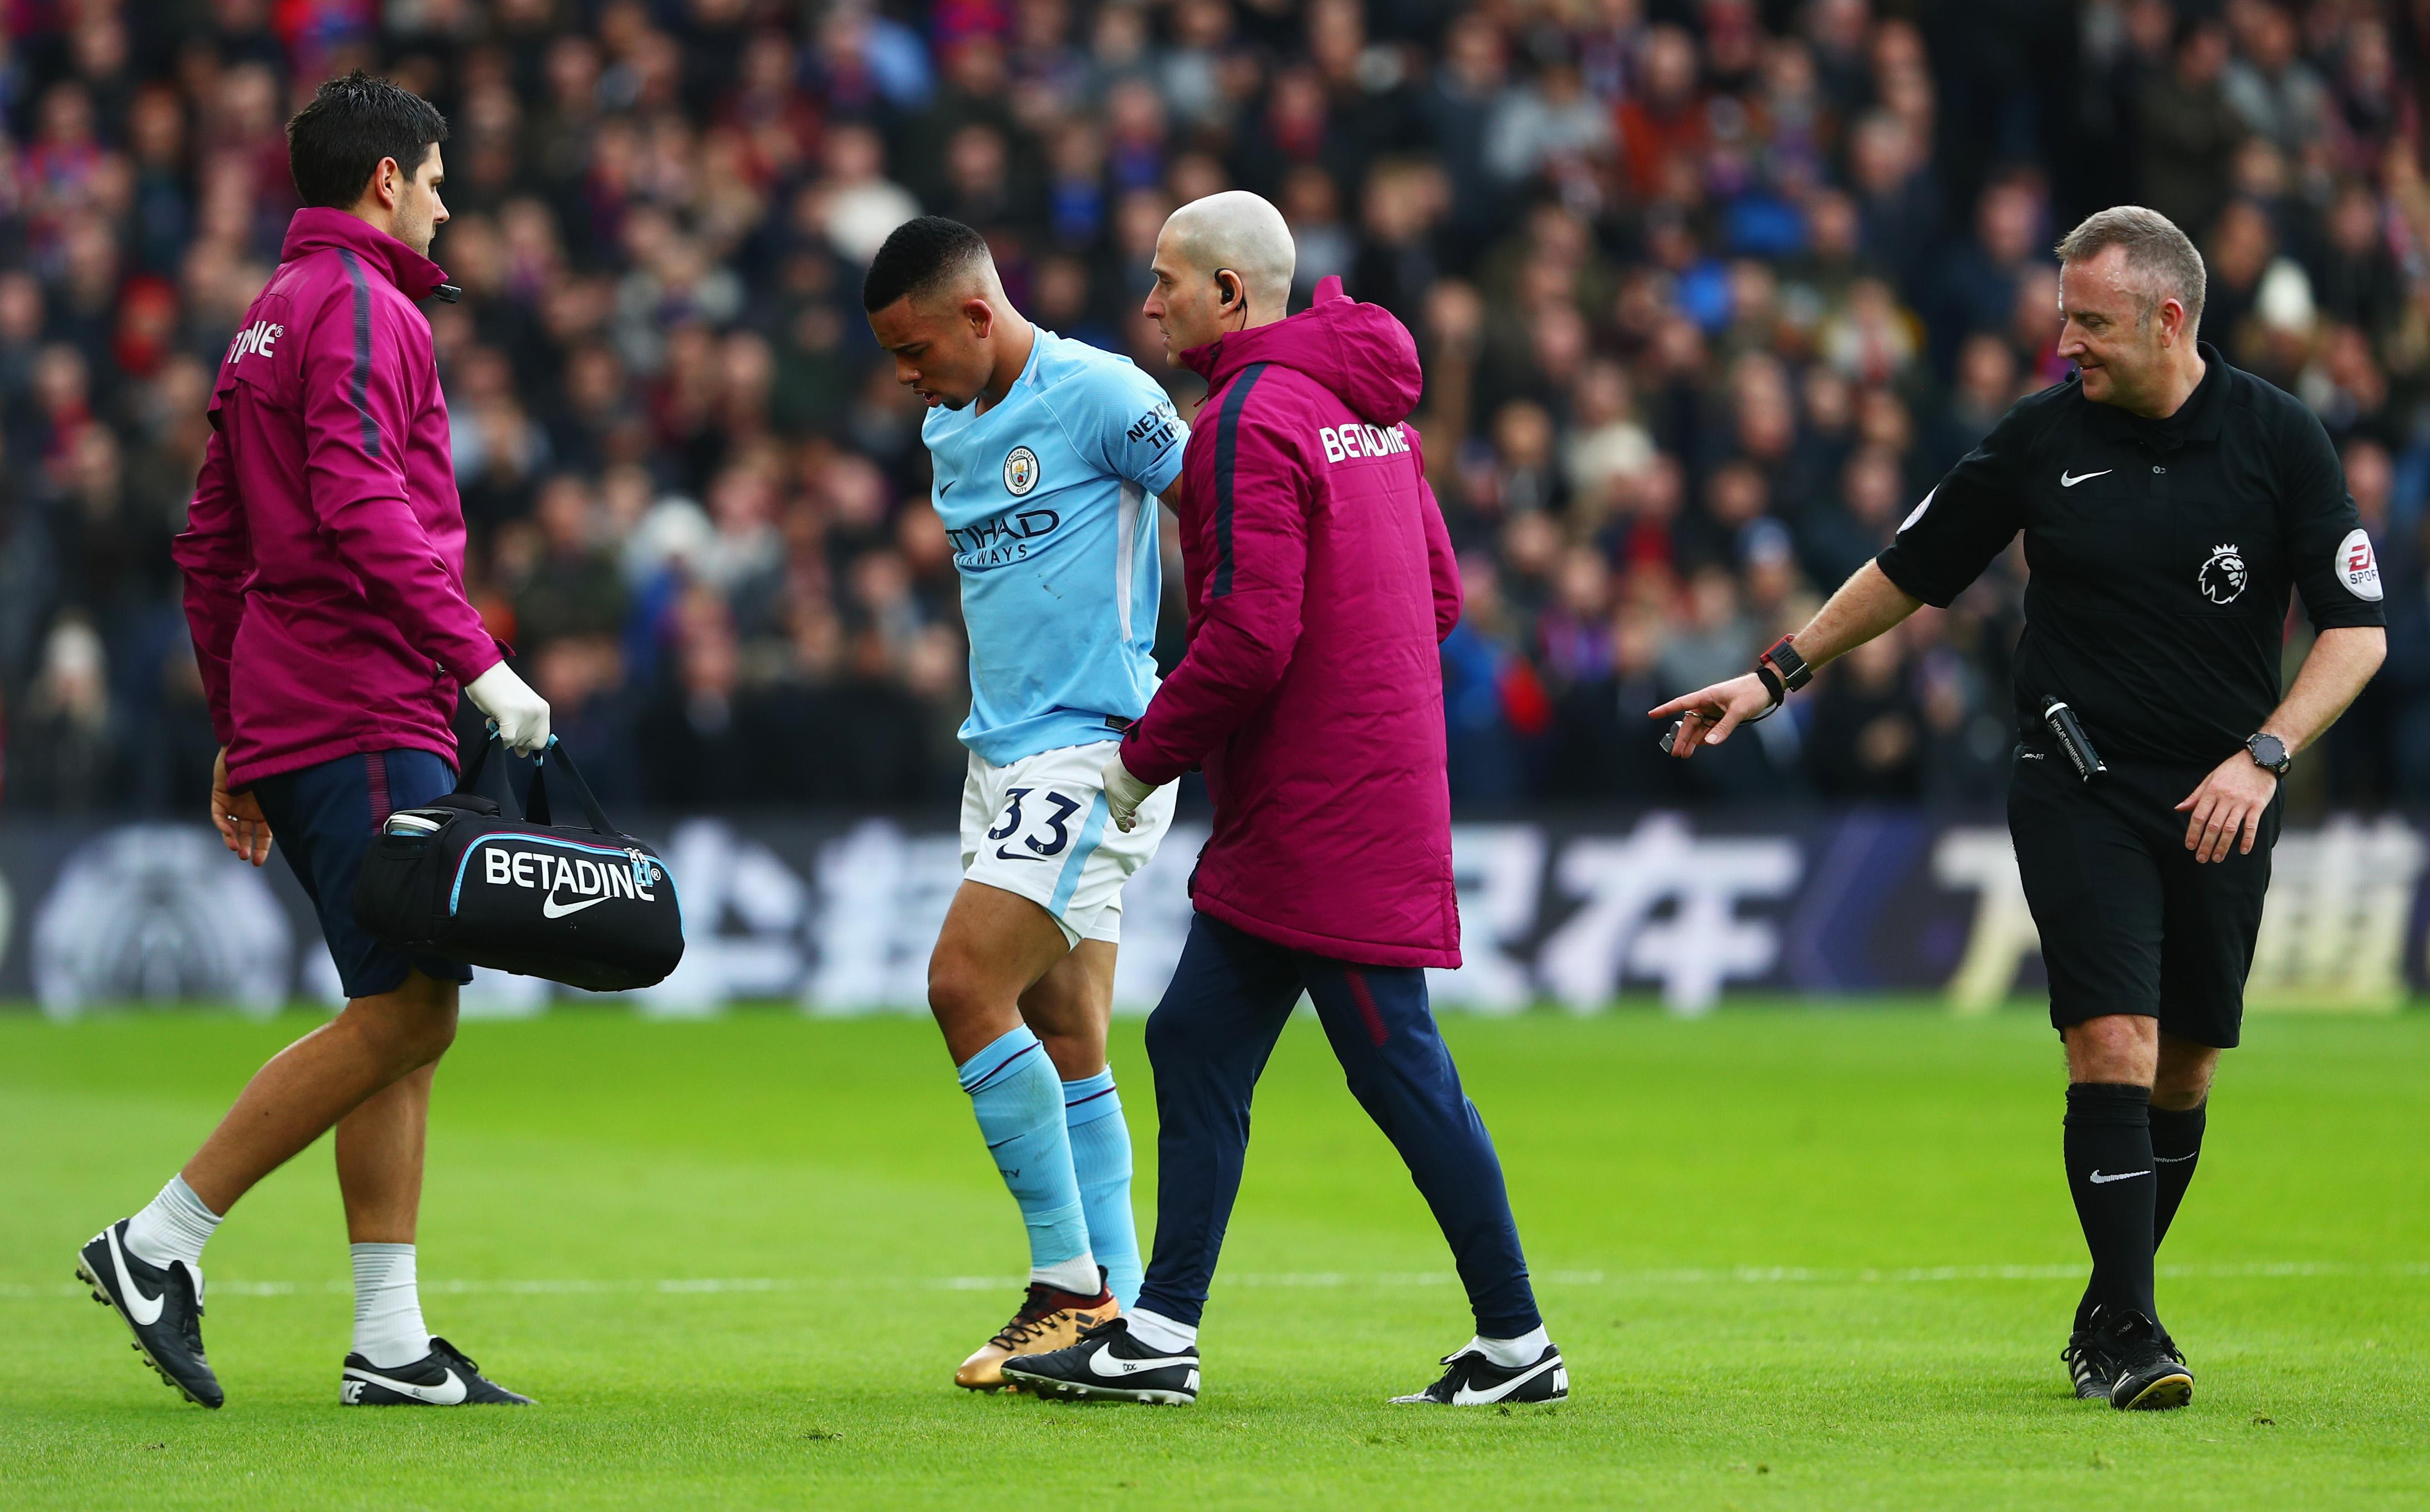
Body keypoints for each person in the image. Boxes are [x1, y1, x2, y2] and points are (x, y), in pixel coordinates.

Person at [1653, 206, 2386, 1412]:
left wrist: (2263, 753)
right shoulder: (2039, 438)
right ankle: (2134, 1330)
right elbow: (1906, 571)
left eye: (2091, 324)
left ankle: (2106, 1307)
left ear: (2167, 319)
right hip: (2075, 781)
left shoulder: (2277, 437)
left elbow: (2353, 635)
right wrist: (1772, 671)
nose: (2066, 347)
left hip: (2221, 793)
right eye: (2061, 320)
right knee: (2112, 1041)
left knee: (2185, 1070)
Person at [1002, 193, 1565, 1408]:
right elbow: (1438, 595)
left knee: (1397, 1067)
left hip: (1323, 811)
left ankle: (1518, 1342)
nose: (1147, 304)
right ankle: (1159, 1333)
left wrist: (1143, 756)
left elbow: (1251, 634)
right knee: (1195, 1038)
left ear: (1230, 295)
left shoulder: (1241, 420)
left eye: (1166, 282)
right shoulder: (1367, 408)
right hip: (1340, 791)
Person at [78, 73, 550, 1410]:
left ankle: (390, 1342)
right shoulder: (354, 304)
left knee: (406, 1007)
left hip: (314, 705)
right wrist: (480, 658)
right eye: (438, 175)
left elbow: (211, 546)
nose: (451, 201)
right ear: (386, 180)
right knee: (409, 1006)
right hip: (360, 701)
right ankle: (159, 1240)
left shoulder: (267, 320)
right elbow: (352, 499)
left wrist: (236, 730)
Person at [861, 216, 1187, 1391]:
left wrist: (1218, 678)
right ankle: (1138, 1319)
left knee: (960, 984)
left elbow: (1225, 500)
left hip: (1093, 749)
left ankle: (1067, 1287)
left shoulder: (1103, 393)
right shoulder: (949, 423)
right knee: (1068, 1037)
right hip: (997, 760)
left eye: (914, 347)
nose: (906, 375)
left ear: (976, 315)